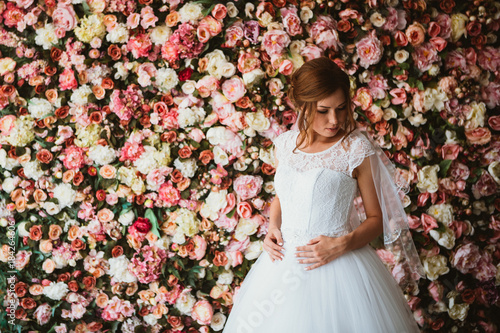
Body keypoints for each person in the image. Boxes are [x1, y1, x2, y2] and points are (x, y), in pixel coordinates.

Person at [222, 57, 424, 333]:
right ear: (302, 106)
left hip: (340, 265)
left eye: (341, 109)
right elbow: (284, 196)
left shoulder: (356, 150)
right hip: (281, 267)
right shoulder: (284, 145)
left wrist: (341, 244)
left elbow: (376, 219)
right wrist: (272, 227)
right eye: (323, 110)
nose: (334, 120)